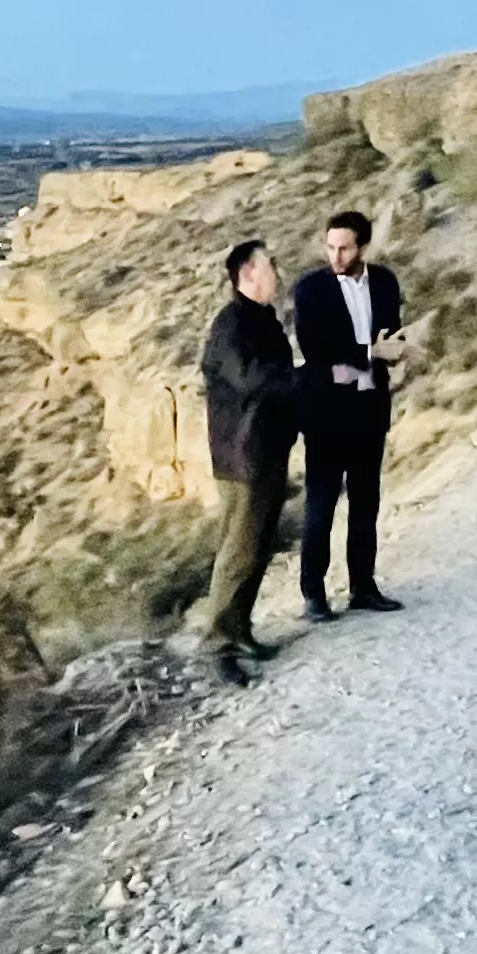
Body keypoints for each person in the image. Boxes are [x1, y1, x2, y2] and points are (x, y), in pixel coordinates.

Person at [292, 209, 407, 620]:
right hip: (326, 411)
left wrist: (395, 350)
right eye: (330, 247)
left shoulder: (385, 282)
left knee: (365, 501)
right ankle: (313, 594)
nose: (336, 256)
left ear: (363, 247)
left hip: (370, 405)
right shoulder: (310, 289)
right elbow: (317, 351)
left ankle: (363, 586)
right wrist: (370, 353)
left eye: (344, 248)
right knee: (321, 504)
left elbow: (390, 333)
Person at [197, 238, 298, 684]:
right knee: (238, 551)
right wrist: (301, 375)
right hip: (243, 457)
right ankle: (217, 644)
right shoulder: (232, 325)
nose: (277, 271)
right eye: (269, 265)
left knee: (256, 547)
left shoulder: (261, 319)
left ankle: (240, 630)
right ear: (248, 274)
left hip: (265, 448)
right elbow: (251, 378)